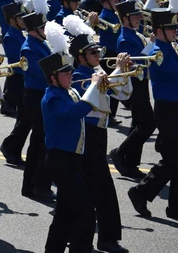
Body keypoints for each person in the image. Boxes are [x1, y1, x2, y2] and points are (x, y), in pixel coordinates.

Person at [38, 23, 103, 253]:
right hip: (61, 161)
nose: (70, 75)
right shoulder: (53, 98)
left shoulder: (66, 91)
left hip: (72, 159)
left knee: (65, 213)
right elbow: (76, 112)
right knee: (86, 211)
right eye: (66, 73)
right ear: (54, 77)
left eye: (69, 71)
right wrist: (94, 88)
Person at [68, 16, 130, 253]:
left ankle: (100, 237)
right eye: (93, 52)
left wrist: (121, 71)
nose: (98, 55)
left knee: (99, 189)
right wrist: (115, 70)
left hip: (99, 135)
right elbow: (92, 95)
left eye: (97, 51)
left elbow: (123, 95)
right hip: (87, 137)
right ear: (81, 57)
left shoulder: (96, 72)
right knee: (96, 189)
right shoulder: (77, 77)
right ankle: (101, 238)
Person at [127, 8, 178, 220]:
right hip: (168, 109)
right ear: (158, 31)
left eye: (175, 27)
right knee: (174, 158)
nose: (176, 31)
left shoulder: (172, 46)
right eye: (171, 28)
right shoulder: (158, 51)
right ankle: (141, 192)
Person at [111, 0, 155, 179]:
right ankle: (120, 152)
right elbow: (138, 62)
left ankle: (130, 163)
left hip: (142, 82)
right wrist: (152, 42)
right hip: (135, 83)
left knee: (138, 123)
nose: (139, 18)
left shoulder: (135, 33)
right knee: (149, 123)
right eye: (135, 16)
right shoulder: (125, 39)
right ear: (125, 19)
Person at [19, 0, 54, 201]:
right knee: (39, 142)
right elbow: (41, 73)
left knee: (43, 141)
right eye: (43, 27)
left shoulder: (41, 43)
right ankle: (34, 185)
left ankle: (39, 183)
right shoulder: (28, 48)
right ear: (34, 29)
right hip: (35, 95)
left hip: (43, 94)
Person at [0, 0, 28, 166]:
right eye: (20, 17)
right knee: (25, 117)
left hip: (23, 79)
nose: (23, 20)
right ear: (12, 20)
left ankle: (11, 147)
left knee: (26, 118)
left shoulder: (20, 34)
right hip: (17, 79)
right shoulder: (10, 36)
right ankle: (10, 147)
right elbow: (18, 61)